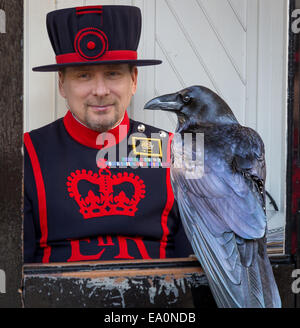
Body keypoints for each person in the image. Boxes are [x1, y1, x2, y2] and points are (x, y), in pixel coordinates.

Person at [24, 5, 193, 263]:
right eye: (84, 75)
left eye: (113, 73)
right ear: (61, 84)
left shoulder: (177, 151)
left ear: (133, 79)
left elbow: (197, 266)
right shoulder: (27, 154)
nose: (100, 90)